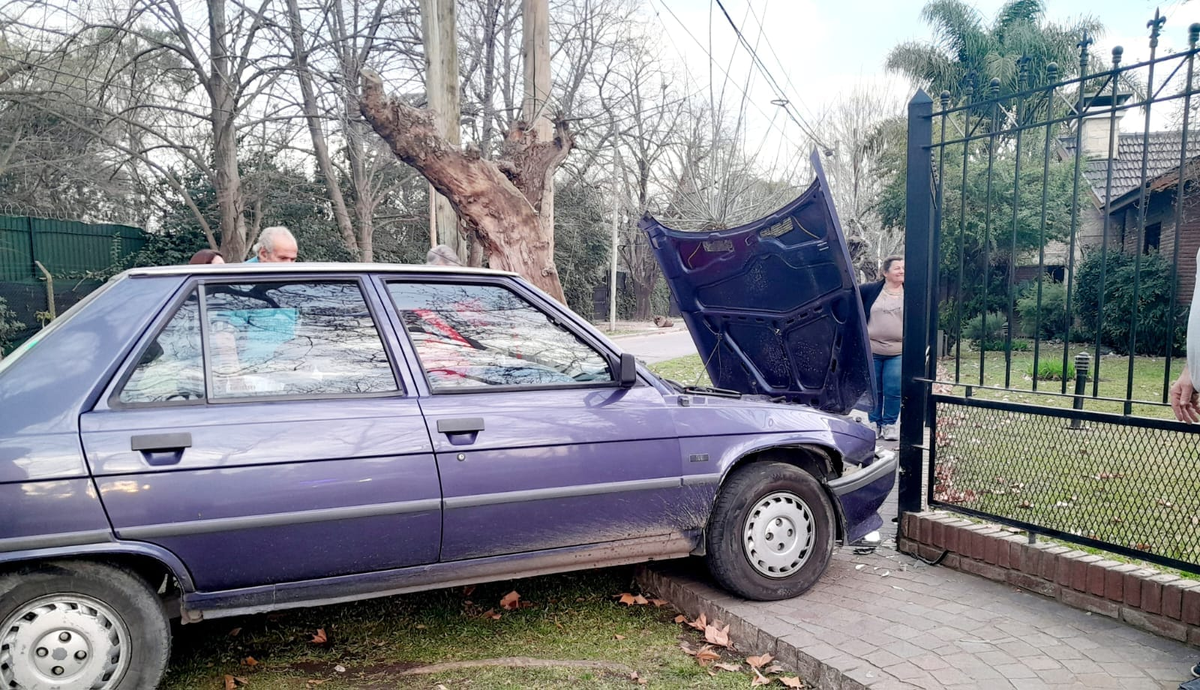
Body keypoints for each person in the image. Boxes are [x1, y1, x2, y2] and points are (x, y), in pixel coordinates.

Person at [859, 255, 905, 441]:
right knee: (874, 388)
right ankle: (874, 423)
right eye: (897, 268)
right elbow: (849, 298)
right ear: (885, 272)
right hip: (872, 349)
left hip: (898, 350)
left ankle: (890, 425)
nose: (902, 271)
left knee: (893, 388)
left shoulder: (910, 292)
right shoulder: (871, 290)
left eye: (903, 268)